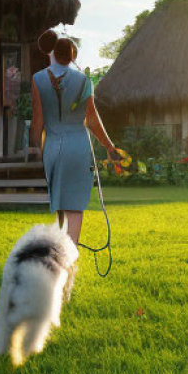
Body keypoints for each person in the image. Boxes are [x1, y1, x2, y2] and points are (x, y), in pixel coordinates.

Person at [29, 31, 119, 246]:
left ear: (53, 53)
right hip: (78, 145)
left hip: (52, 145)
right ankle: (70, 255)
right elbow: (92, 119)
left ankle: (60, 251)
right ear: (72, 57)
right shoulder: (82, 80)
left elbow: (38, 121)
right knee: (75, 205)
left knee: (60, 201)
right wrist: (109, 146)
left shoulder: (38, 79)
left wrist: (33, 149)